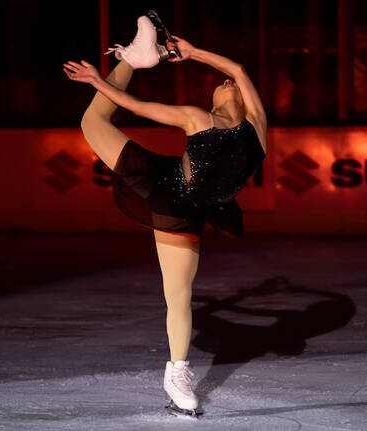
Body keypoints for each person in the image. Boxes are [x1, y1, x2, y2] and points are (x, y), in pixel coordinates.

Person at [63, 13, 267, 417]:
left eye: (229, 85)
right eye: (220, 85)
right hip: (166, 190)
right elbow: (139, 107)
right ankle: (131, 61)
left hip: (193, 207)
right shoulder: (198, 118)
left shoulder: (258, 126)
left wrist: (193, 53)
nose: (226, 82)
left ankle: (176, 373)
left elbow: (238, 68)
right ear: (216, 102)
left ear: (240, 98)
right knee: (92, 120)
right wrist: (100, 82)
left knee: (179, 296)